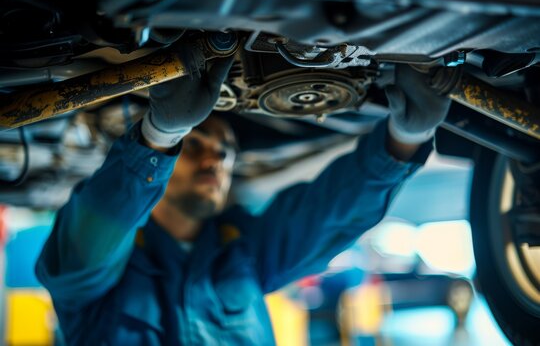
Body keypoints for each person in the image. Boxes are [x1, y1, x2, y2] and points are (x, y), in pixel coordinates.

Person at [35, 53, 451, 345]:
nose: (215, 159)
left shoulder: (243, 249)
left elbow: (324, 215)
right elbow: (96, 229)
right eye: (195, 144)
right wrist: (157, 138)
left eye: (225, 152)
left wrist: (404, 137)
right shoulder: (95, 272)